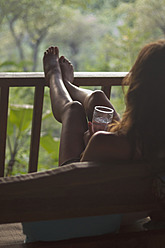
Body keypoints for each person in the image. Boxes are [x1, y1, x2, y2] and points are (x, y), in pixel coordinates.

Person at [23, 40, 165, 242]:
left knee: (72, 111)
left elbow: (76, 188)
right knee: (98, 97)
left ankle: (54, 78)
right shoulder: (143, 142)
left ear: (138, 89)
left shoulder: (106, 143)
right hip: (128, 207)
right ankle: (69, 85)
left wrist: (89, 144)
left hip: (87, 215)